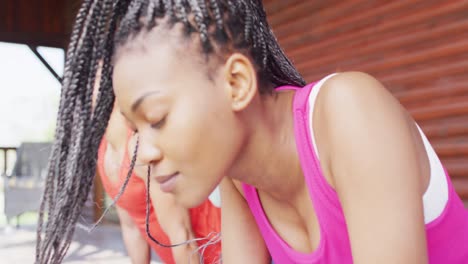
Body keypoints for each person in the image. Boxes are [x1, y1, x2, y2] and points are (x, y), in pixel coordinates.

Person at [36, 1, 468, 264]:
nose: (144, 152)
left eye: (158, 118)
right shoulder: (239, 181)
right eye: (136, 128)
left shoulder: (350, 112)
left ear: (236, 82)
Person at [96, 90, 221, 263]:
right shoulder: (104, 150)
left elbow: (182, 237)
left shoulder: (140, 147)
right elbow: (131, 228)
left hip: (216, 251)